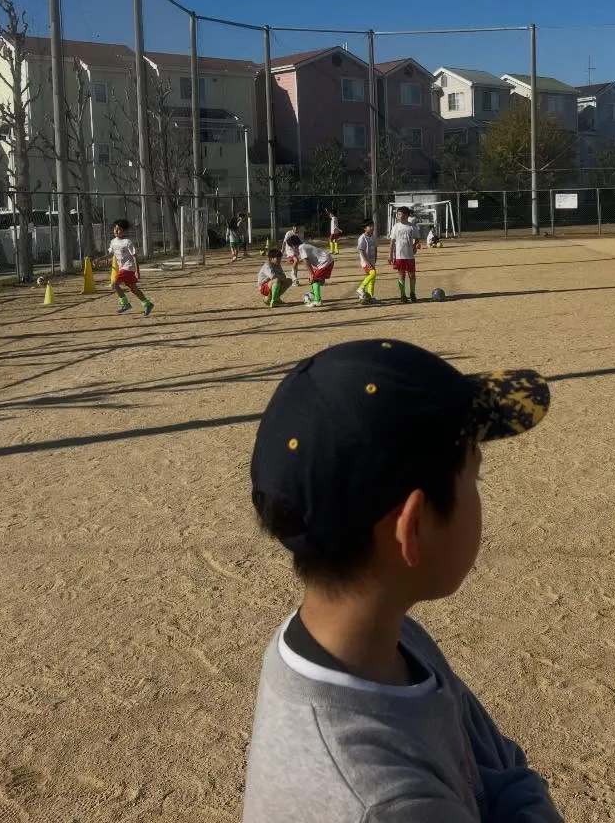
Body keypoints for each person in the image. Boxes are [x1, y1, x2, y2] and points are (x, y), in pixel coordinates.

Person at [244, 339, 560, 822]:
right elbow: (506, 772)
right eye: (475, 480)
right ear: (412, 528)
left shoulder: (379, 640)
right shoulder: (382, 804)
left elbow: (494, 765)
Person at [107, 219, 153, 316]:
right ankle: (147, 304)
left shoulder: (127, 242)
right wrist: (99, 259)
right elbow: (111, 254)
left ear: (124, 231)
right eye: (115, 228)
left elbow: (134, 256)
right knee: (133, 288)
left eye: (119, 229)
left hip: (128, 268)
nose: (116, 231)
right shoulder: (113, 242)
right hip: (122, 268)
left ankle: (125, 304)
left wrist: (137, 271)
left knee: (114, 284)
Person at [286, 234, 334, 307]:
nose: (292, 249)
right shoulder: (303, 246)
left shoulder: (301, 247)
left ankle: (317, 300)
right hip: (327, 261)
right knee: (316, 280)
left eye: (291, 247)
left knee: (314, 279)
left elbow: (306, 262)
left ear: (293, 245)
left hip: (325, 262)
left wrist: (311, 274)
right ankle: (316, 296)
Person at [388, 205, 420, 302]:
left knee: (412, 275)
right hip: (399, 255)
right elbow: (392, 241)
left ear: (406, 215)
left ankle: (412, 293)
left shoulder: (412, 227)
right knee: (401, 275)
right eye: (397, 214)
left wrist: (416, 245)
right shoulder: (396, 226)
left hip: (410, 256)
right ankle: (403, 295)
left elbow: (417, 239)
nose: (398, 216)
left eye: (400, 214)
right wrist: (390, 254)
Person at [355, 219, 378, 305]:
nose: (372, 227)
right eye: (370, 226)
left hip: (372, 261)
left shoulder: (373, 237)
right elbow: (361, 251)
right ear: (365, 228)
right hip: (365, 262)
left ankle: (370, 297)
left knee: (372, 279)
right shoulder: (362, 238)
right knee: (373, 273)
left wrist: (375, 258)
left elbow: (375, 248)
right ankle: (361, 288)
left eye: (373, 226)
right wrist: (367, 262)